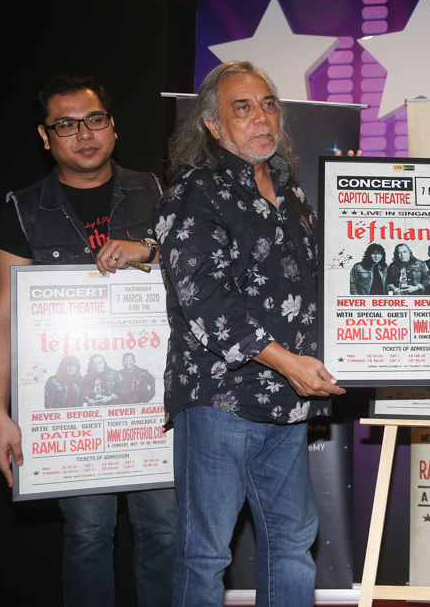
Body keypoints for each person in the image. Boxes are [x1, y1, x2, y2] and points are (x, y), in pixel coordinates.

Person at [158, 60, 345, 606]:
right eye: (242, 107)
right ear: (213, 125)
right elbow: (206, 300)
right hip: (220, 400)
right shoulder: (196, 190)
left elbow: (319, 284)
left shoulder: (292, 193)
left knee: (292, 543)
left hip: (287, 402)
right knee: (206, 554)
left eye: (267, 105)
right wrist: (289, 363)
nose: (261, 117)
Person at [0, 75, 176, 606]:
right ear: (44, 137)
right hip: (74, 417)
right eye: (66, 125)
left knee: (165, 530)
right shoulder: (23, 209)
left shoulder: (159, 193)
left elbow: (200, 267)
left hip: (156, 407)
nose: (84, 134)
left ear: (113, 126)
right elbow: (4, 313)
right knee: (88, 533)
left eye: (94, 120)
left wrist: (149, 250)